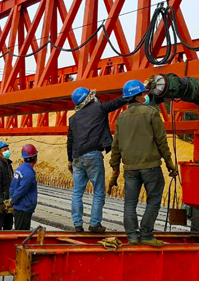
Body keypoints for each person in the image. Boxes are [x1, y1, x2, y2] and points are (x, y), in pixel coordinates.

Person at [109, 80, 178, 246]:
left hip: (130, 168)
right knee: (153, 200)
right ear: (138, 97)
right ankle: (146, 235)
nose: (145, 96)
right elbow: (161, 141)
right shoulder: (151, 113)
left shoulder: (121, 117)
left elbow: (116, 145)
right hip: (150, 166)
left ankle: (132, 237)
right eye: (143, 94)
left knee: (130, 203)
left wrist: (115, 169)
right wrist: (170, 164)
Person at [67, 87, 127, 233]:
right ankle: (94, 224)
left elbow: (70, 140)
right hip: (93, 155)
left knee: (77, 192)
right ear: (89, 97)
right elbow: (117, 102)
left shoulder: (73, 118)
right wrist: (132, 93)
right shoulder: (98, 107)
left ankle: (77, 225)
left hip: (77, 157)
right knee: (98, 191)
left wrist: (70, 160)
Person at [10, 144, 39, 230]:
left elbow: (12, 186)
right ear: (34, 157)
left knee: (20, 231)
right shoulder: (29, 173)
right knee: (22, 234)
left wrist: (12, 200)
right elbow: (21, 190)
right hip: (23, 208)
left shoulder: (20, 169)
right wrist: (13, 201)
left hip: (19, 207)